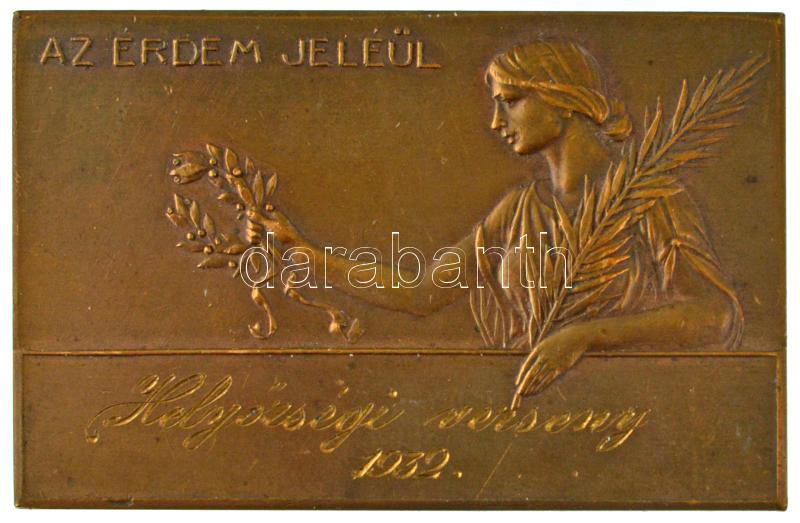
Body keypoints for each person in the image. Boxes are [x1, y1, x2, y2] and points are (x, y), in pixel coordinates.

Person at [247, 39, 742, 407]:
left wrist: (584, 337)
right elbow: (421, 292)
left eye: (511, 100)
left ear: (563, 99)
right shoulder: (518, 210)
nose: (495, 121)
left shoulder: (650, 197)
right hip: (525, 424)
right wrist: (302, 253)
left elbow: (713, 315)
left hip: (622, 421)